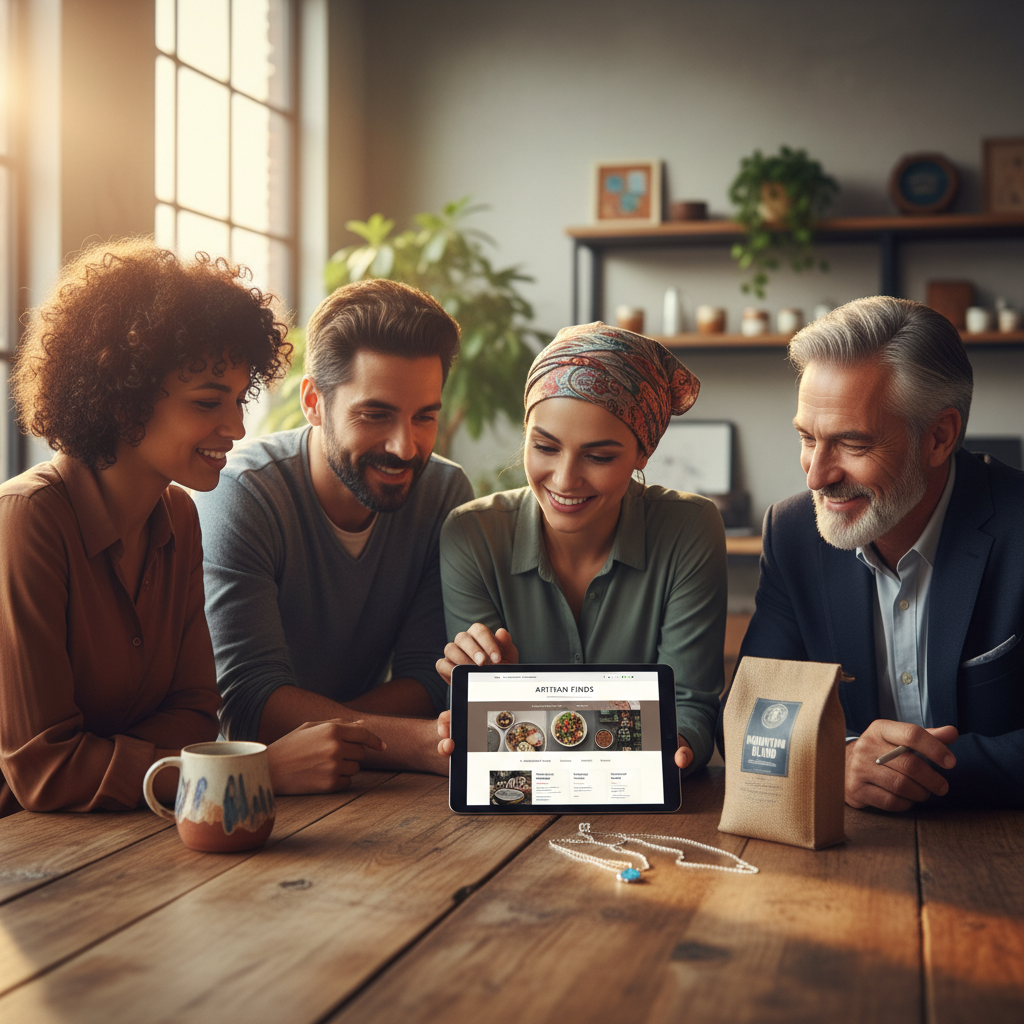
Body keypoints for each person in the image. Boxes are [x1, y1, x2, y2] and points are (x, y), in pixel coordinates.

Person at [0, 240, 382, 818]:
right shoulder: (28, 520)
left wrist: (130, 761)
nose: (234, 426)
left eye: (237, 399)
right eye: (208, 403)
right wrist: (253, 771)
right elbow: (48, 769)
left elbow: (196, 714)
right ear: (123, 403)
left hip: (136, 833)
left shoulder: (178, 516)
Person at [734, 295, 1023, 810]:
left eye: (852, 444)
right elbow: (743, 717)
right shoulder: (793, 532)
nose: (816, 475)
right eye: (807, 437)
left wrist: (915, 775)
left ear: (939, 436)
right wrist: (835, 761)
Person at [193, 278, 475, 774]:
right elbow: (248, 707)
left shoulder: (443, 493)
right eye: (375, 414)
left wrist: (338, 735)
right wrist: (411, 743)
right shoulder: (242, 494)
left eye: (424, 417)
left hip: (367, 784)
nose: (404, 448)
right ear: (313, 402)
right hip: (255, 783)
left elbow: (432, 680)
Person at [435, 321, 728, 773]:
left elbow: (689, 710)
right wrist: (499, 682)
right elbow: (483, 725)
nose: (565, 479)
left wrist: (522, 707)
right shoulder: (472, 536)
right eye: (545, 447)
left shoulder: (689, 529)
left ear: (642, 453)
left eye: (599, 456)